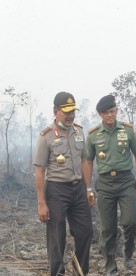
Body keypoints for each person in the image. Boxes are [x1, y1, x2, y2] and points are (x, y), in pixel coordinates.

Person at [83, 95, 136, 276]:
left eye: (112, 111)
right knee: (107, 229)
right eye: (106, 113)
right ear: (100, 114)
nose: (110, 115)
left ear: (116, 111)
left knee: (131, 221)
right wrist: (88, 188)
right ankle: (110, 266)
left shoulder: (127, 130)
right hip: (104, 184)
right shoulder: (94, 134)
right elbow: (88, 161)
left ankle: (128, 252)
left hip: (126, 181)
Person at [34, 91, 93, 276]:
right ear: (55, 112)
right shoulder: (47, 136)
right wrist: (42, 203)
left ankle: (80, 271)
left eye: (72, 111)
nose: (70, 115)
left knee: (85, 232)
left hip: (78, 189)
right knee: (56, 236)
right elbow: (40, 171)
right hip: (57, 190)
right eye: (66, 111)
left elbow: (85, 161)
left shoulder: (79, 131)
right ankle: (58, 273)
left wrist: (88, 188)